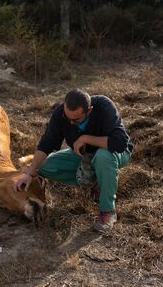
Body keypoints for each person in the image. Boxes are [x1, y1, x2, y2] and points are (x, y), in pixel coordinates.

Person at [14, 88, 133, 232]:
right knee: (45, 165)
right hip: (84, 155)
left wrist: (85, 138)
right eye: (67, 117)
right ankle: (97, 181)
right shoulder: (60, 114)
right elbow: (46, 144)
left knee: (103, 157)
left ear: (89, 111)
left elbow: (120, 143)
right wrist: (29, 173)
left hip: (113, 153)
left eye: (76, 120)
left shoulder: (103, 106)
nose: (70, 123)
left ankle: (107, 212)